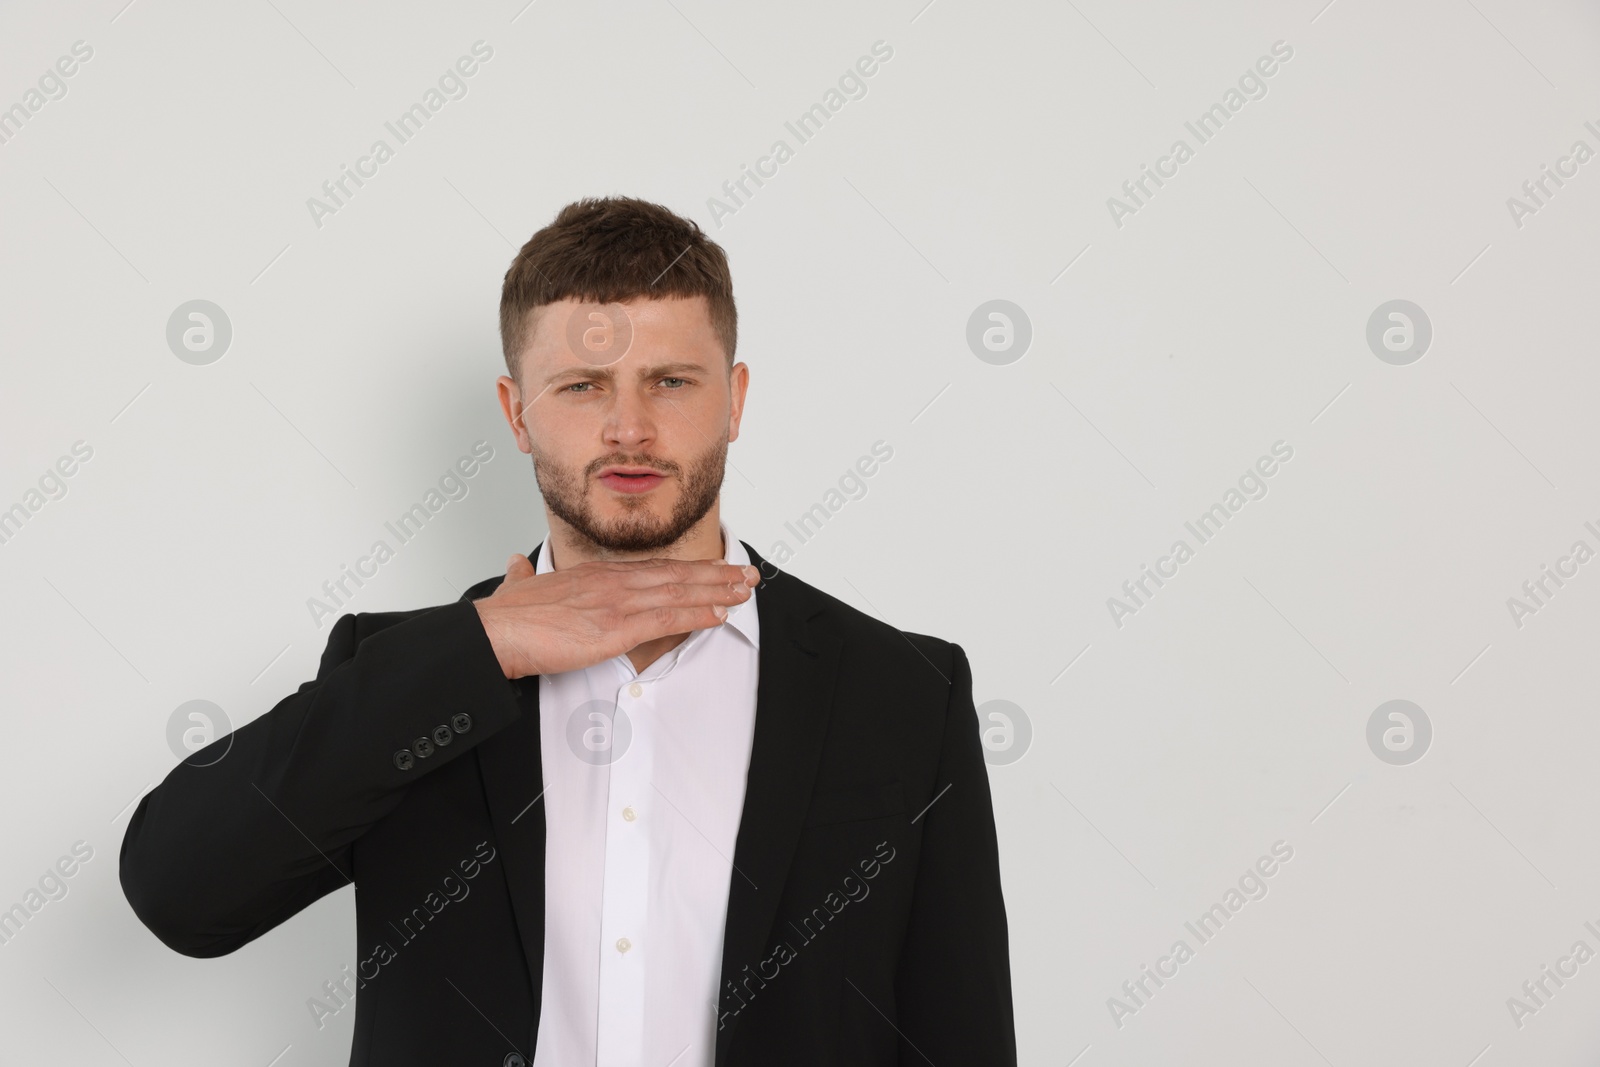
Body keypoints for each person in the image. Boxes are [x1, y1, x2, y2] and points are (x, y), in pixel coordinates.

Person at [119, 195, 1016, 1066]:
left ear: (734, 400)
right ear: (517, 413)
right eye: (583, 386)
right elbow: (179, 893)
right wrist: (481, 651)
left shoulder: (903, 692)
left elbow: (960, 1034)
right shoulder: (404, 678)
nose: (629, 428)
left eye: (670, 380)